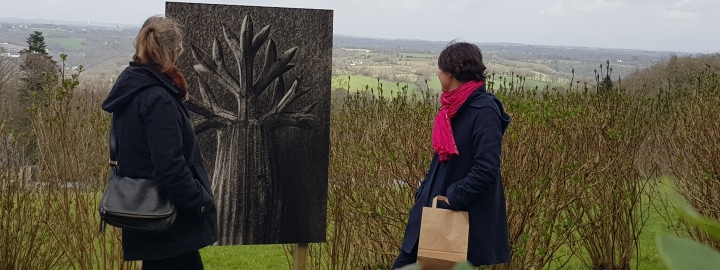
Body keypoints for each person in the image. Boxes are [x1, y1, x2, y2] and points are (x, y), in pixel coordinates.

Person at [101, 16, 217, 269]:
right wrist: (200, 201)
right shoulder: (158, 98)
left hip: (146, 213)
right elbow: (170, 167)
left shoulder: (131, 88)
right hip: (169, 219)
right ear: (175, 52)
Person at [392, 42, 512, 269]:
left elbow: (487, 169)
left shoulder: (484, 110)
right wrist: (424, 192)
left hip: (455, 221)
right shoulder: (453, 108)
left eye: (439, 69)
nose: (437, 74)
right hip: (431, 215)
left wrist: (452, 198)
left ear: (451, 72)